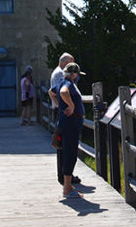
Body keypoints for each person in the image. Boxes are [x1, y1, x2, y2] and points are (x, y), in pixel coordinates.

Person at [49, 53, 82, 186]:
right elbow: (61, 92)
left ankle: (65, 175)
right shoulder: (60, 74)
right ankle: (64, 176)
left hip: (63, 111)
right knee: (65, 146)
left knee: (63, 145)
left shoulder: (57, 72)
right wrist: (70, 105)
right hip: (65, 113)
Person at [55, 62, 86, 197]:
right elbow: (63, 92)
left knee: (68, 152)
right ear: (73, 74)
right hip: (71, 124)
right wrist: (71, 106)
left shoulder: (61, 81)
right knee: (70, 154)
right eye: (77, 74)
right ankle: (67, 188)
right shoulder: (67, 84)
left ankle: (68, 186)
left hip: (68, 122)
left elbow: (51, 92)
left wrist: (61, 107)